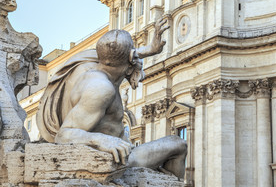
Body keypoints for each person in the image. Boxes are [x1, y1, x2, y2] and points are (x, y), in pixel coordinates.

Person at [36, 20, 187, 179]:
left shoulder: (89, 62)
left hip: (116, 149)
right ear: (130, 62)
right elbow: (64, 135)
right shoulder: (101, 89)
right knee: (178, 144)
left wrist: (149, 50)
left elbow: (115, 53)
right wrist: (102, 140)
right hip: (116, 157)